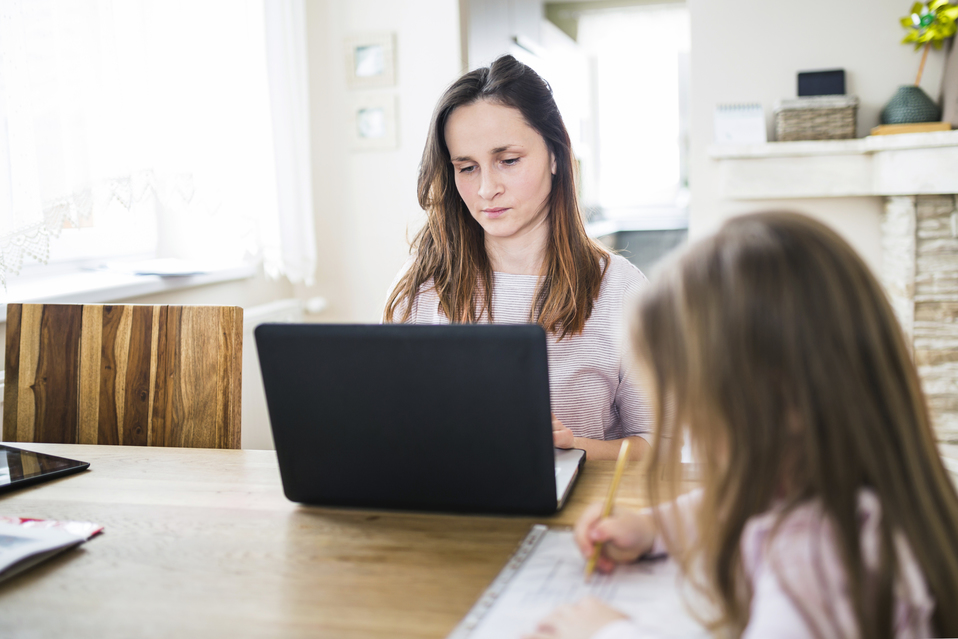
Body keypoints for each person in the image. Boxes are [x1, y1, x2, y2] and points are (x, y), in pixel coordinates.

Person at [528, 212, 958, 638]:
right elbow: (745, 504)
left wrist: (607, 633)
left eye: (699, 406)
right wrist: (652, 528)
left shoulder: (816, 571)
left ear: (782, 404)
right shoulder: (849, 490)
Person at [383, 55, 651, 460]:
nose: (487, 188)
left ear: (556, 156)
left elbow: (656, 447)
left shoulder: (622, 290)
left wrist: (575, 447)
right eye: (467, 168)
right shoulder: (418, 288)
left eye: (508, 161)